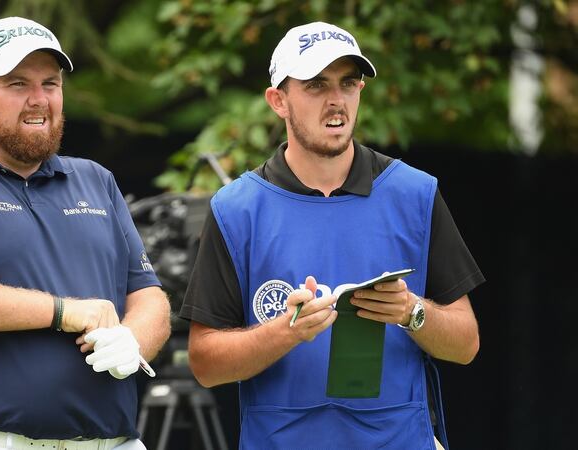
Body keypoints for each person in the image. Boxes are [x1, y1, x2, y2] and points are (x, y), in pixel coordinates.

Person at [179, 21, 483, 450]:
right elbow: (205, 364)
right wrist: (286, 331)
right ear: (278, 101)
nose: (337, 100)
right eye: (316, 85)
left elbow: (466, 343)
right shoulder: (236, 209)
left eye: (348, 82)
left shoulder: (415, 193)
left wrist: (410, 310)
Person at [0, 16, 171, 450]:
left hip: (112, 441)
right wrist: (62, 311)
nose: (39, 100)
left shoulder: (96, 180)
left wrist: (133, 340)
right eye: (18, 84)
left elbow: (148, 296)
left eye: (50, 84)